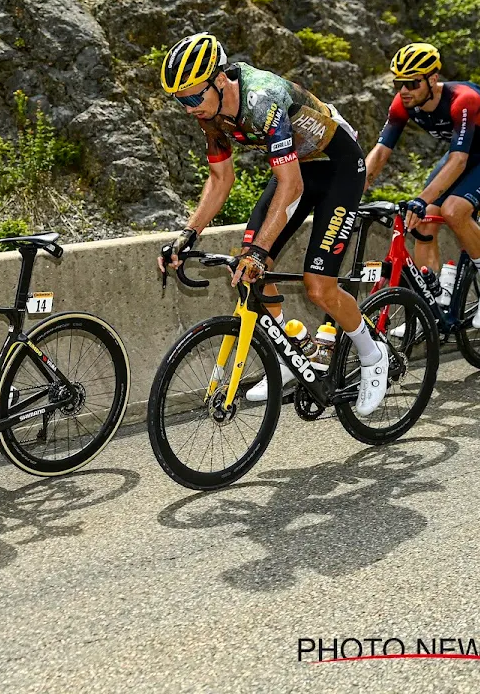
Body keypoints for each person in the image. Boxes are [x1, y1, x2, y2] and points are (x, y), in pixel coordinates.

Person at [157, 32, 388, 415]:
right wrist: (187, 234)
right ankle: (288, 352)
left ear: (219, 80)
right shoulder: (209, 113)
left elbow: (291, 184)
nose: (188, 108)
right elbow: (220, 179)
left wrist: (261, 251)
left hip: (338, 168)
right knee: (248, 270)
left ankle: (371, 353)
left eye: (193, 97)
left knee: (318, 288)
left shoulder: (260, 98)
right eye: (181, 101)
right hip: (296, 168)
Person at [364, 42, 480, 327]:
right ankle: (431, 304)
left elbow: (459, 161)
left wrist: (422, 199)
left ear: (432, 79)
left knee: (452, 210)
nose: (404, 90)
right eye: (399, 83)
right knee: (423, 222)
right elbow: (380, 152)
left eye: (412, 83)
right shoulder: (403, 104)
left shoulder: (462, 99)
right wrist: (355, 187)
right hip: (465, 153)